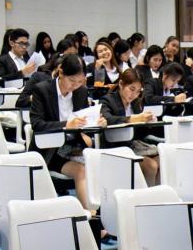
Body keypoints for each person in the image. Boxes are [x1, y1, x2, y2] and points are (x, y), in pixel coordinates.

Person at [28, 54, 102, 212]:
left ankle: (101, 212)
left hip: (73, 146)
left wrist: (95, 124)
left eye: (80, 81)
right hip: (50, 150)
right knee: (81, 170)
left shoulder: (81, 92)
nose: (75, 85)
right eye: (72, 80)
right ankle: (89, 215)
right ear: (61, 73)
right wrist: (66, 125)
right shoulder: (42, 90)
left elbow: (83, 121)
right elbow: (37, 124)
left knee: (100, 162)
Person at [101, 68, 160, 186]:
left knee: (162, 160)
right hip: (115, 147)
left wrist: (149, 123)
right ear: (121, 84)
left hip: (134, 145)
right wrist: (132, 119)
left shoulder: (136, 103)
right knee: (151, 165)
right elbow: (108, 119)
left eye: (138, 91)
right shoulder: (108, 100)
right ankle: (147, 196)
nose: (134, 95)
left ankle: (157, 193)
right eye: (131, 89)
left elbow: (139, 133)